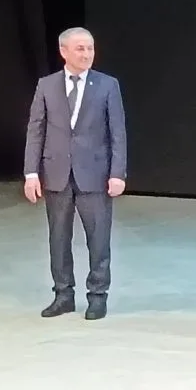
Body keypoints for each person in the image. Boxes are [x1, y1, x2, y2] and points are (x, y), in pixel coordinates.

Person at [23, 27, 128, 320]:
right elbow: (36, 130)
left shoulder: (107, 85)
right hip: (56, 174)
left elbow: (118, 132)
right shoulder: (46, 85)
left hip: (95, 174)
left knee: (98, 239)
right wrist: (31, 173)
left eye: (90, 48)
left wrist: (117, 173)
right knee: (58, 239)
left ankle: (98, 296)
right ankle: (63, 295)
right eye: (80, 48)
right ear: (64, 51)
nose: (87, 54)